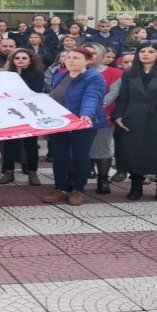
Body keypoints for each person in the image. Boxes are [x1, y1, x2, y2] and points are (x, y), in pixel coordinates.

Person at [112, 41, 157, 201]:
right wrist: (118, 115)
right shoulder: (129, 73)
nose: (145, 54)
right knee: (134, 151)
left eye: (151, 52)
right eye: (142, 51)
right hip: (134, 115)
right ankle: (136, 185)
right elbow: (123, 97)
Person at [43, 47, 106, 206]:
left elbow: (92, 97)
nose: (70, 60)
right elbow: (54, 96)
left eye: (76, 58)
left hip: (83, 123)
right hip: (60, 123)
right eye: (68, 57)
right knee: (60, 156)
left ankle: (78, 190)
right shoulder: (59, 75)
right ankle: (60, 189)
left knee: (80, 157)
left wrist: (87, 113)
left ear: (88, 60)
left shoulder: (94, 77)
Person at [0, 49, 44, 186]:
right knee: (9, 144)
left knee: (30, 144)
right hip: (9, 113)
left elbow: (35, 92)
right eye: (17, 58)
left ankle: (32, 173)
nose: (21, 60)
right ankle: (9, 172)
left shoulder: (37, 73)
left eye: (24, 57)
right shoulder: (6, 75)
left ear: (30, 59)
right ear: (13, 60)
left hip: (29, 113)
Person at [84, 42, 123, 194]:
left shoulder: (113, 73)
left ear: (101, 55)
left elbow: (114, 93)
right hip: (78, 116)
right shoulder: (73, 71)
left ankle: (103, 179)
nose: (90, 56)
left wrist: (95, 107)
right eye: (86, 53)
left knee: (102, 147)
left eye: (93, 53)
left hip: (103, 114)